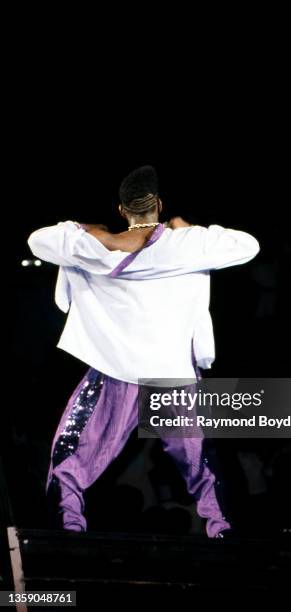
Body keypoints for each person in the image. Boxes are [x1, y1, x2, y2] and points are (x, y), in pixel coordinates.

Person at [27, 165, 260, 538]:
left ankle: (67, 529)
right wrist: (186, 229)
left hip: (115, 369)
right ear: (160, 204)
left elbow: (40, 240)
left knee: (73, 453)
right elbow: (248, 245)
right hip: (171, 372)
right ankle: (222, 530)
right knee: (201, 460)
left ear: (122, 209)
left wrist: (93, 231)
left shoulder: (96, 246)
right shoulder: (189, 245)